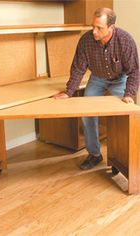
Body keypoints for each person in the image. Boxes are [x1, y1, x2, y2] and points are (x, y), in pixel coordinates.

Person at [54, 8, 140, 170]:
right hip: (97, 78)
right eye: (93, 26)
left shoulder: (125, 41)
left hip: (120, 80)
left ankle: (118, 158)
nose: (94, 31)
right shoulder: (86, 41)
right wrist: (68, 92)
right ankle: (94, 154)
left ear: (111, 27)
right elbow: (78, 68)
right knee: (88, 114)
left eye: (99, 28)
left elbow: (134, 71)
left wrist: (129, 94)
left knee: (120, 116)